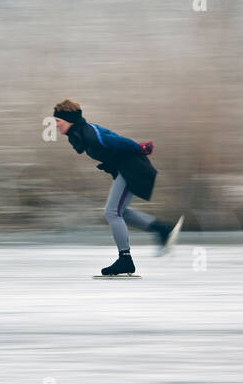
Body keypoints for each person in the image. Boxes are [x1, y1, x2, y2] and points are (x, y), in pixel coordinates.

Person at [52, 99, 183, 275]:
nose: (55, 125)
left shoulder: (89, 133)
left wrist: (140, 147)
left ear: (69, 120)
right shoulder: (81, 133)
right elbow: (110, 150)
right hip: (128, 168)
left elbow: (117, 141)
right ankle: (162, 229)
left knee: (112, 212)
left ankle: (125, 259)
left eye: (58, 121)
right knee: (119, 211)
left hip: (133, 168)